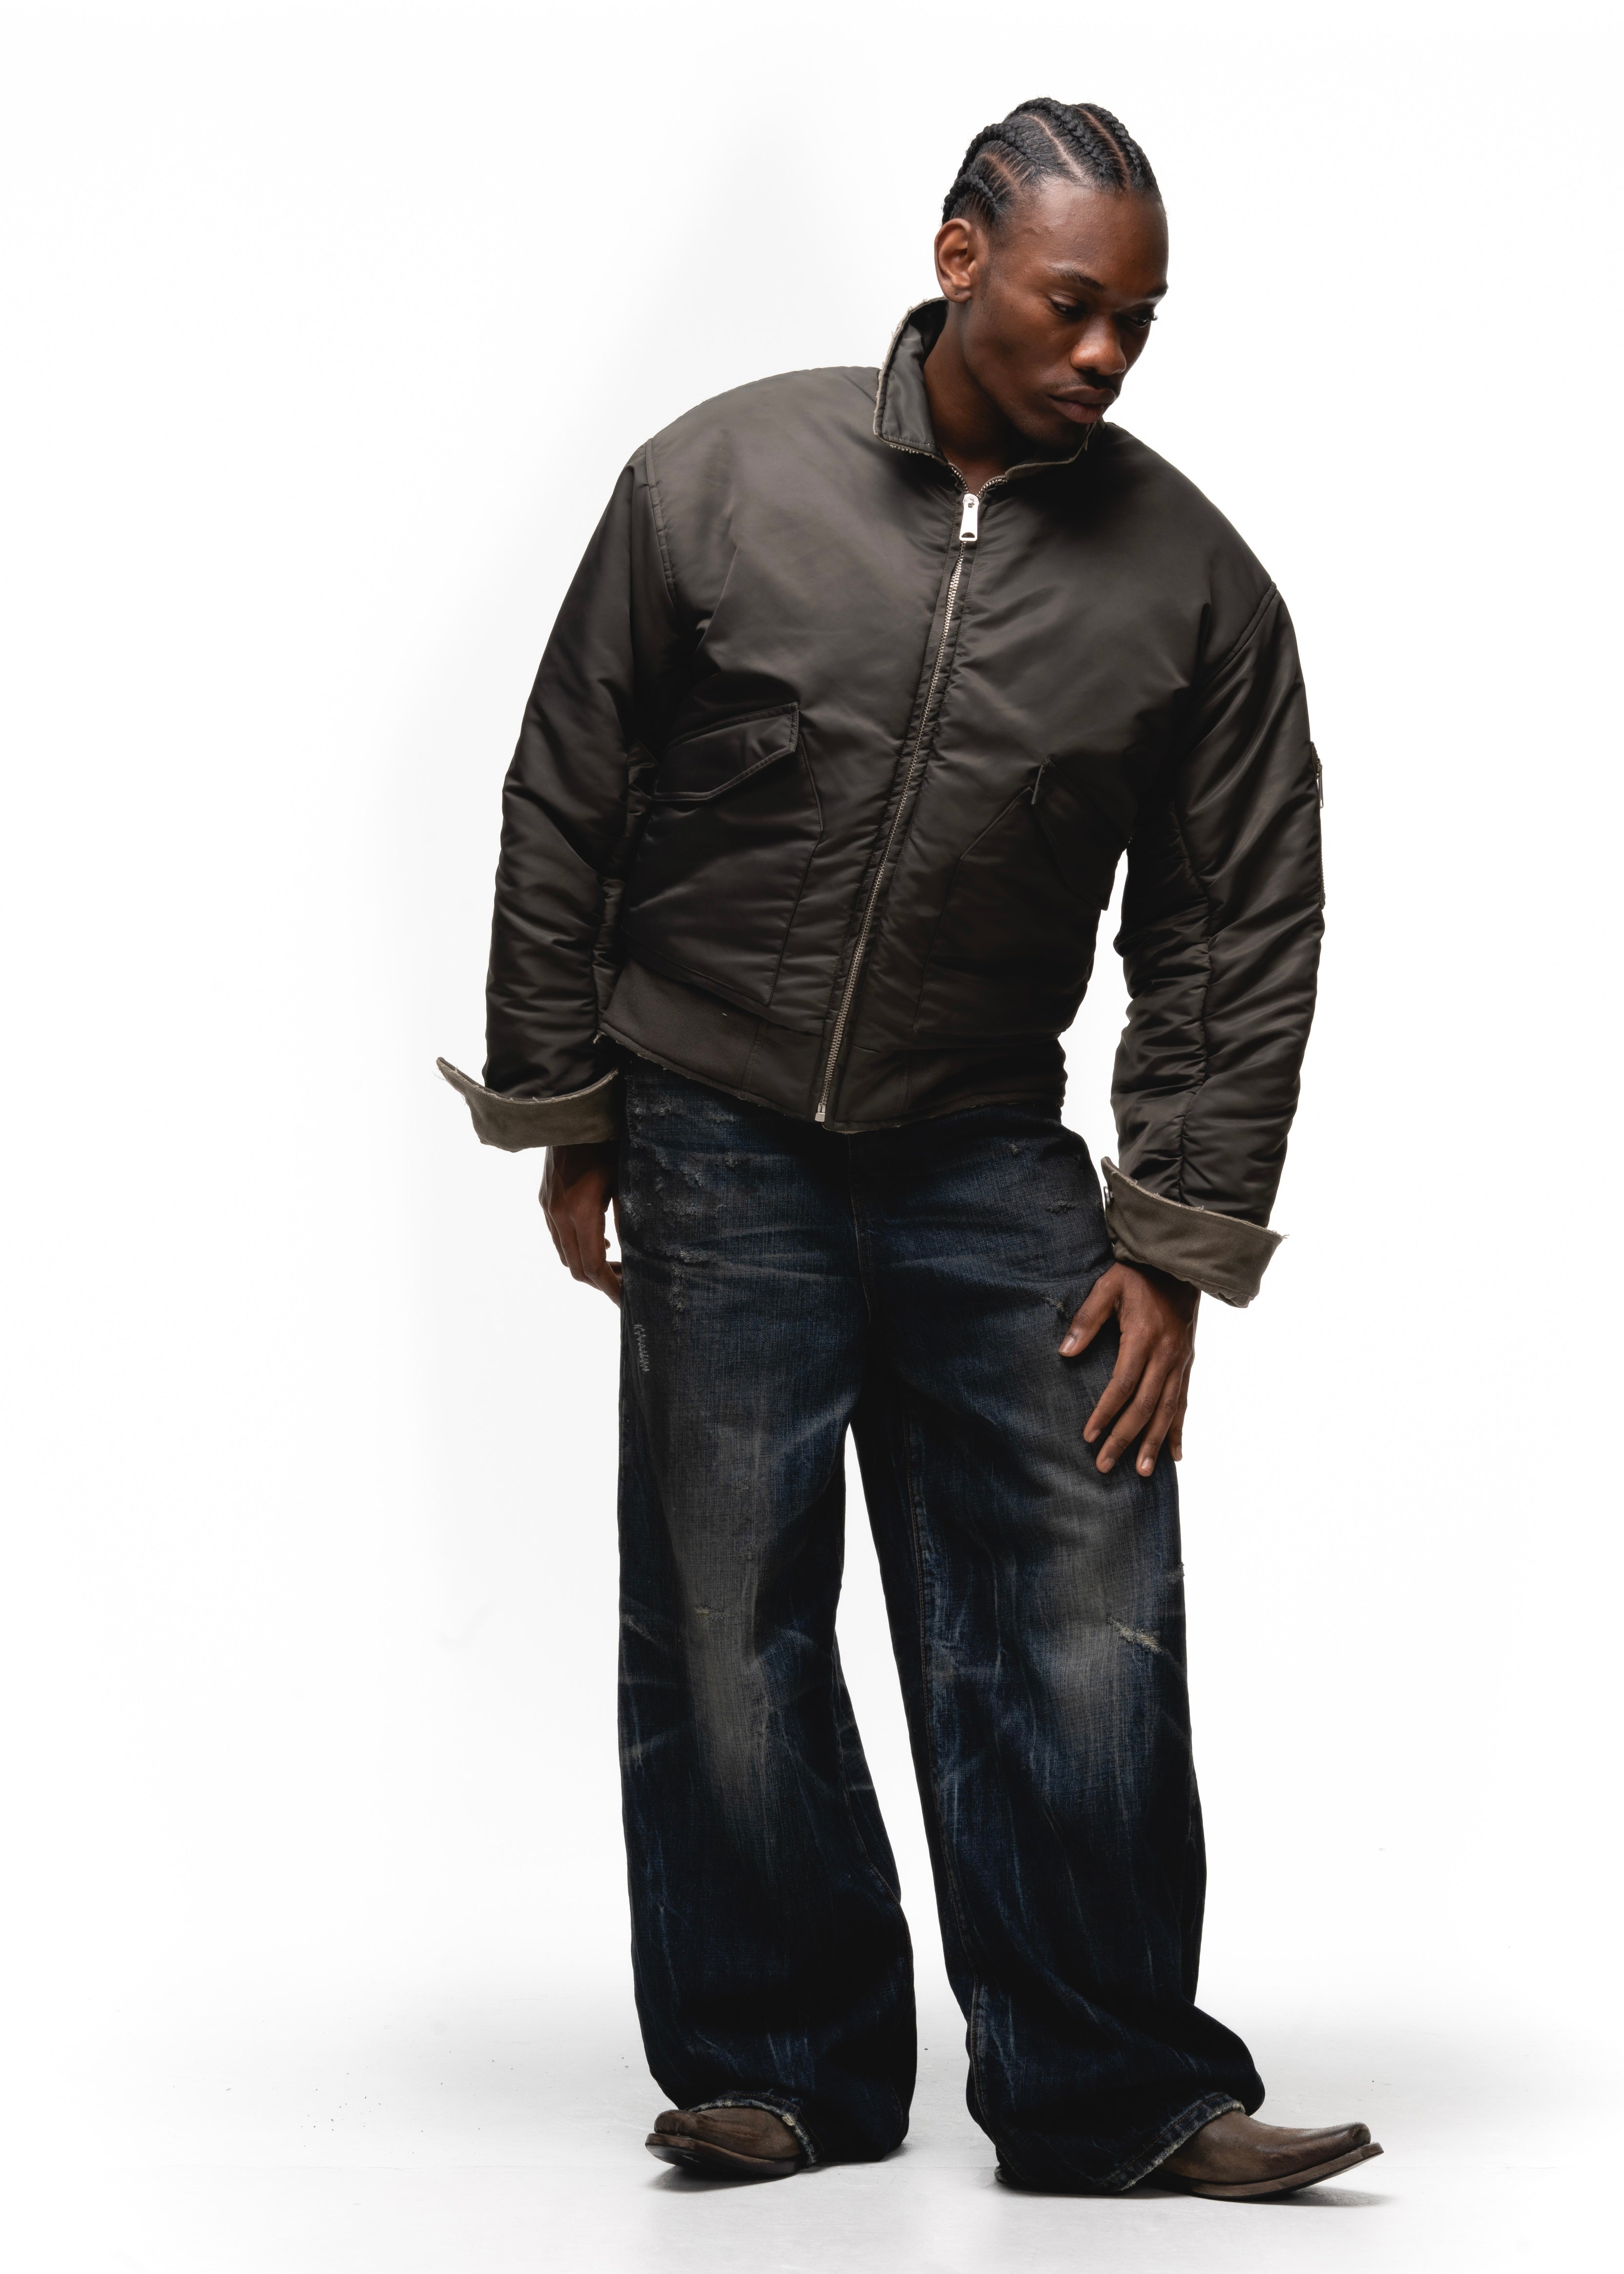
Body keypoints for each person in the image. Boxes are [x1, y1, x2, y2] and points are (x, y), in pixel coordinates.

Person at [440, 97, 1377, 2201]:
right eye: (1071, 305)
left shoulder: (1195, 584)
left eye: (1138, 324)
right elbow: (570, 785)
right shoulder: (716, 480)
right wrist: (564, 1104)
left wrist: (1173, 1235)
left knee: (1083, 1611)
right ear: (960, 259)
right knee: (725, 1618)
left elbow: (1236, 922)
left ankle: (1113, 2086)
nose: (1104, 355)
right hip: (716, 1138)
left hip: (987, 1157)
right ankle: (782, 2068)